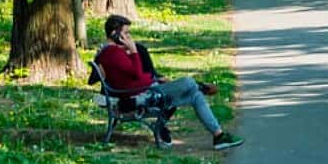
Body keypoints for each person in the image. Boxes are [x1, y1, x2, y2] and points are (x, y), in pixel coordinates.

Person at [95, 16, 243, 150]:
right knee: (188, 82)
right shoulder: (112, 53)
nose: (129, 38)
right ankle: (200, 87)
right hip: (142, 95)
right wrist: (133, 51)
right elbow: (137, 73)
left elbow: (133, 75)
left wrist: (154, 78)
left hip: (147, 89)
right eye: (126, 34)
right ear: (115, 34)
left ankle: (219, 136)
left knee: (195, 95)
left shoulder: (114, 52)